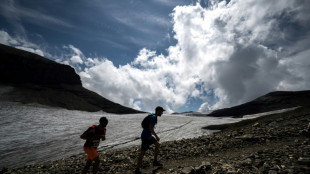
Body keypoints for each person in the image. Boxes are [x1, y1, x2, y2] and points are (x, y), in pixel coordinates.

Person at [135, 106, 165, 174]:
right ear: (158, 111)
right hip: (146, 137)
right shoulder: (153, 117)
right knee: (142, 153)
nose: (162, 113)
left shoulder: (152, 116)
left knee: (157, 144)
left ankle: (155, 161)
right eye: (161, 111)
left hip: (148, 136)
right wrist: (156, 136)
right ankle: (137, 170)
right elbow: (151, 128)